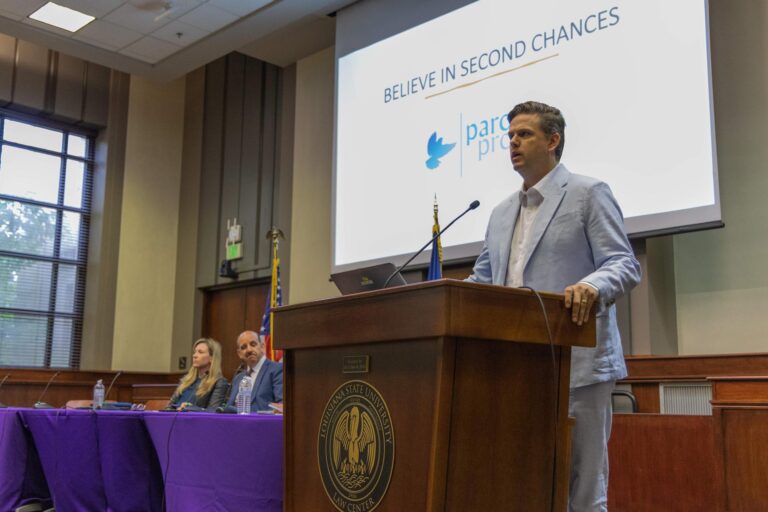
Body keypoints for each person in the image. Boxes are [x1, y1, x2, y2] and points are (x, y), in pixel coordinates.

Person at [467, 101, 641, 511]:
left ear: (553, 140)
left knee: (582, 485)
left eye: (523, 134)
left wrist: (590, 285)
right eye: (509, 135)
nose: (513, 142)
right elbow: (482, 281)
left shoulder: (587, 193)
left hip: (576, 365)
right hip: (515, 369)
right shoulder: (499, 212)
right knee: (524, 476)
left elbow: (623, 263)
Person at [226, 330, 283, 412]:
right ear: (239, 354)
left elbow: (281, 407)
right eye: (243, 347)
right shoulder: (238, 378)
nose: (249, 350)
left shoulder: (276, 370)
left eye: (253, 344)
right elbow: (228, 407)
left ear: (262, 347)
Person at [169, 338, 229, 411]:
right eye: (195, 352)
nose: (194, 355)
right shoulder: (186, 380)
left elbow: (212, 411)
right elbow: (169, 406)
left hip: (195, 421)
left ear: (211, 358)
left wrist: (191, 409)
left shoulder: (219, 382)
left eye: (200, 352)